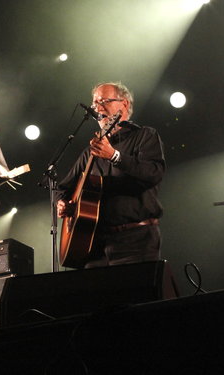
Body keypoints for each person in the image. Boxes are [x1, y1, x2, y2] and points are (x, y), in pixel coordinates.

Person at [57, 82, 165, 268]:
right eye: (95, 103)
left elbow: (153, 173)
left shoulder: (145, 136)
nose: (98, 107)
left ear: (124, 104)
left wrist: (115, 156)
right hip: (94, 244)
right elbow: (62, 188)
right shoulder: (90, 151)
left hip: (135, 240)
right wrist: (62, 203)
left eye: (105, 101)